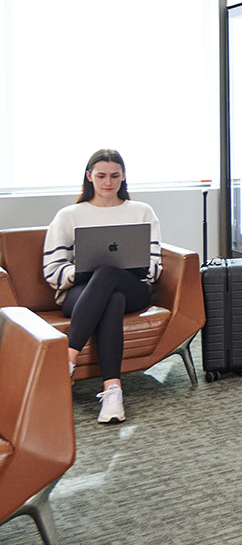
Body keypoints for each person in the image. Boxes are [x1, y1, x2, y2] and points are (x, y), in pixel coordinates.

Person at [43, 149, 162, 423]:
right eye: (101, 176)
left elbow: (155, 267)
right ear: (89, 177)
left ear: (123, 178)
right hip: (80, 292)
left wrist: (117, 268)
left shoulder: (141, 211)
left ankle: (67, 359)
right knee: (111, 297)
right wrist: (86, 272)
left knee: (110, 275)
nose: (108, 182)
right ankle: (113, 392)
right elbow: (52, 270)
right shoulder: (68, 215)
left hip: (135, 288)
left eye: (114, 176)